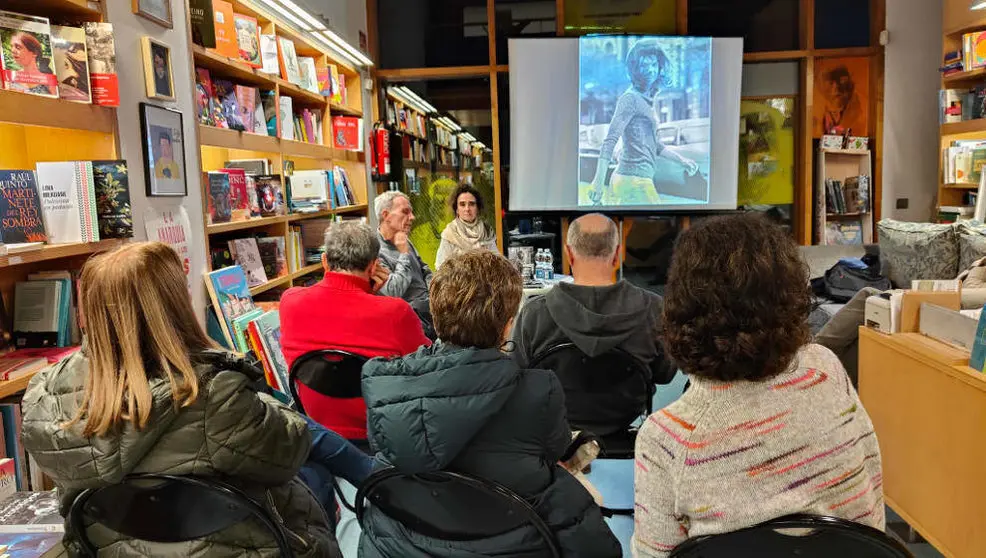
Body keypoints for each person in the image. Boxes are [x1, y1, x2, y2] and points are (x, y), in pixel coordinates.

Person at [20, 242, 343, 557]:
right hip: (237, 547)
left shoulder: (44, 396)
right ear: (174, 304)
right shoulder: (215, 395)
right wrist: (260, 396)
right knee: (317, 479)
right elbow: (290, 450)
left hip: (106, 548)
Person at [633, 214, 884, 557]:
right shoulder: (825, 368)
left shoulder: (667, 440)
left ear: (681, 305)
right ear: (791, 294)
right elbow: (872, 502)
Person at [360, 251, 621, 557]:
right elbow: (555, 450)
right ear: (509, 325)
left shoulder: (383, 385)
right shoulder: (539, 390)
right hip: (513, 541)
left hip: (401, 541)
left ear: (436, 314)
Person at [513, 213, 674, 434]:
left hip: (554, 430)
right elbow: (665, 374)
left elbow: (519, 378)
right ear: (618, 254)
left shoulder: (534, 314)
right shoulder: (655, 310)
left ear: (569, 254)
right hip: (626, 419)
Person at [280, 220, 429, 443]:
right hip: (383, 433)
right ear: (373, 267)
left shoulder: (290, 302)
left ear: (324, 262)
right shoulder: (395, 312)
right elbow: (426, 368)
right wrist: (375, 297)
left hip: (317, 431)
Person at [590, 39, 697, 206]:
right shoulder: (630, 99)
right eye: (644, 66)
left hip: (638, 180)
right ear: (635, 70)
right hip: (632, 182)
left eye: (653, 64)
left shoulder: (646, 100)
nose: (650, 70)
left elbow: (655, 146)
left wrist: (682, 161)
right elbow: (610, 141)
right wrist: (597, 182)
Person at [374, 190, 435, 337]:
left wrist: (435, 292)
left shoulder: (403, 238)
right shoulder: (374, 250)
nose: (412, 217)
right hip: (408, 319)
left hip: (430, 308)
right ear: (385, 215)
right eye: (405, 212)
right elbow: (393, 291)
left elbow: (424, 269)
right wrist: (403, 254)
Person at [435, 184, 497, 269]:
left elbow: (496, 263)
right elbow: (441, 267)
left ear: (478, 208)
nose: (467, 209)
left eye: (471, 204)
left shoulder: (487, 232)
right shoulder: (450, 233)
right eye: (462, 204)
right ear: (456, 209)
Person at [9, 32, 54, 96]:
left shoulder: (48, 80)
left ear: (34, 53)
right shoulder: (13, 76)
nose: (13, 50)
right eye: (12, 46)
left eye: (18, 47)